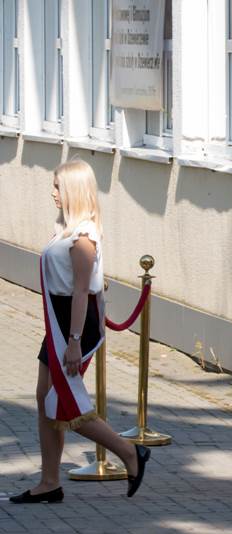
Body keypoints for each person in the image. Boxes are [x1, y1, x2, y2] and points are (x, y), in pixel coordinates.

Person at [11, 160, 150, 504]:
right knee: (46, 400)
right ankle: (49, 482)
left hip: (73, 325)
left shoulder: (83, 235)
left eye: (58, 186)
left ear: (73, 190)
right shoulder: (66, 228)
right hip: (61, 321)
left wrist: (74, 341)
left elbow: (82, 291)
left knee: (66, 403)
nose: (52, 192)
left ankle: (129, 452)